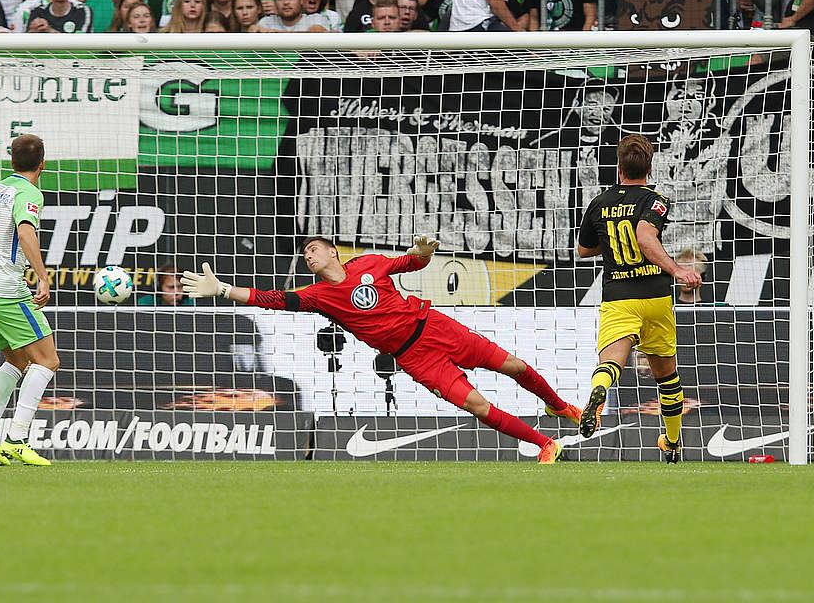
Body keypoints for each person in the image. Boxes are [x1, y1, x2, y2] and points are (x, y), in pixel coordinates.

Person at [181, 236, 579, 463]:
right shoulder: (318, 296)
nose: (308, 255)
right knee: (476, 406)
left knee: (513, 364)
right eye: (305, 254)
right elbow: (270, 299)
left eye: (314, 249)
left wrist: (424, 252)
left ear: (333, 252)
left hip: (436, 328)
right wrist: (222, 290)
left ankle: (560, 406)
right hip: (414, 357)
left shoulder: (369, 262)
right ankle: (545, 443)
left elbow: (413, 263)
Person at [576, 134, 701, 463]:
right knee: (667, 376)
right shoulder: (655, 200)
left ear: (619, 168)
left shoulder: (599, 203)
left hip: (618, 297)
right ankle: (672, 443)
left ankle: (599, 392)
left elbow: (583, 249)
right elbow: (645, 235)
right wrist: (676, 270)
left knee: (610, 363)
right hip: (655, 297)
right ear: (649, 167)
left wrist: (609, 234)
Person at [0, 135, 59, 467]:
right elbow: (25, 232)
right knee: (47, 360)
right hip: (5, 290)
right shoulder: (28, 192)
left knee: (18, 360)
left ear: (11, 162)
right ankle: (18, 438)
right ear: (42, 165)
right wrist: (42, 276)